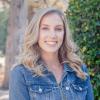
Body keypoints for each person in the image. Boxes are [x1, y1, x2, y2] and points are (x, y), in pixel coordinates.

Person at [9, 7, 94, 100]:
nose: (52, 35)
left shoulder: (79, 70)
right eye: (45, 28)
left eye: (58, 29)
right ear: (35, 32)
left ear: (64, 34)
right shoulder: (21, 73)